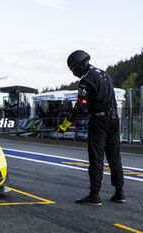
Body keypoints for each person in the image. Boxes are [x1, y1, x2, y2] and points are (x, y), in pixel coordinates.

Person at [56, 50, 125, 206]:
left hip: (99, 121)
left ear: (81, 64)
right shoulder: (105, 74)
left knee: (96, 158)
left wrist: (65, 124)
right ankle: (119, 192)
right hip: (114, 120)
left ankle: (94, 195)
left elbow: (81, 107)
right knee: (114, 157)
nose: (73, 72)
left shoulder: (86, 81)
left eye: (73, 68)